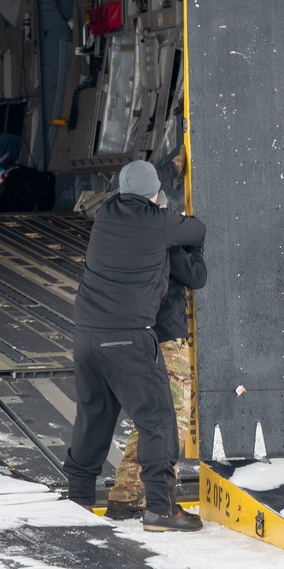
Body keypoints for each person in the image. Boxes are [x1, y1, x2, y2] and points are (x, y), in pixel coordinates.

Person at [65, 159, 206, 532]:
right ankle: (160, 508)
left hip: (86, 333)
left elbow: (143, 185)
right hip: (128, 337)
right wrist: (172, 213)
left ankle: (78, 497)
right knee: (157, 420)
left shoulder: (106, 213)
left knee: (93, 418)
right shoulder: (160, 223)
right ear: (155, 196)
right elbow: (197, 229)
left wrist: (170, 169)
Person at [106, 154, 207, 520]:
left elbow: (139, 185)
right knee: (171, 421)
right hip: (167, 339)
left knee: (150, 421)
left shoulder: (123, 226)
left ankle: (124, 494)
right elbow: (197, 276)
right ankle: (156, 500)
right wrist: (190, 240)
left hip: (138, 336)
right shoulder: (168, 243)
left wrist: (170, 166)